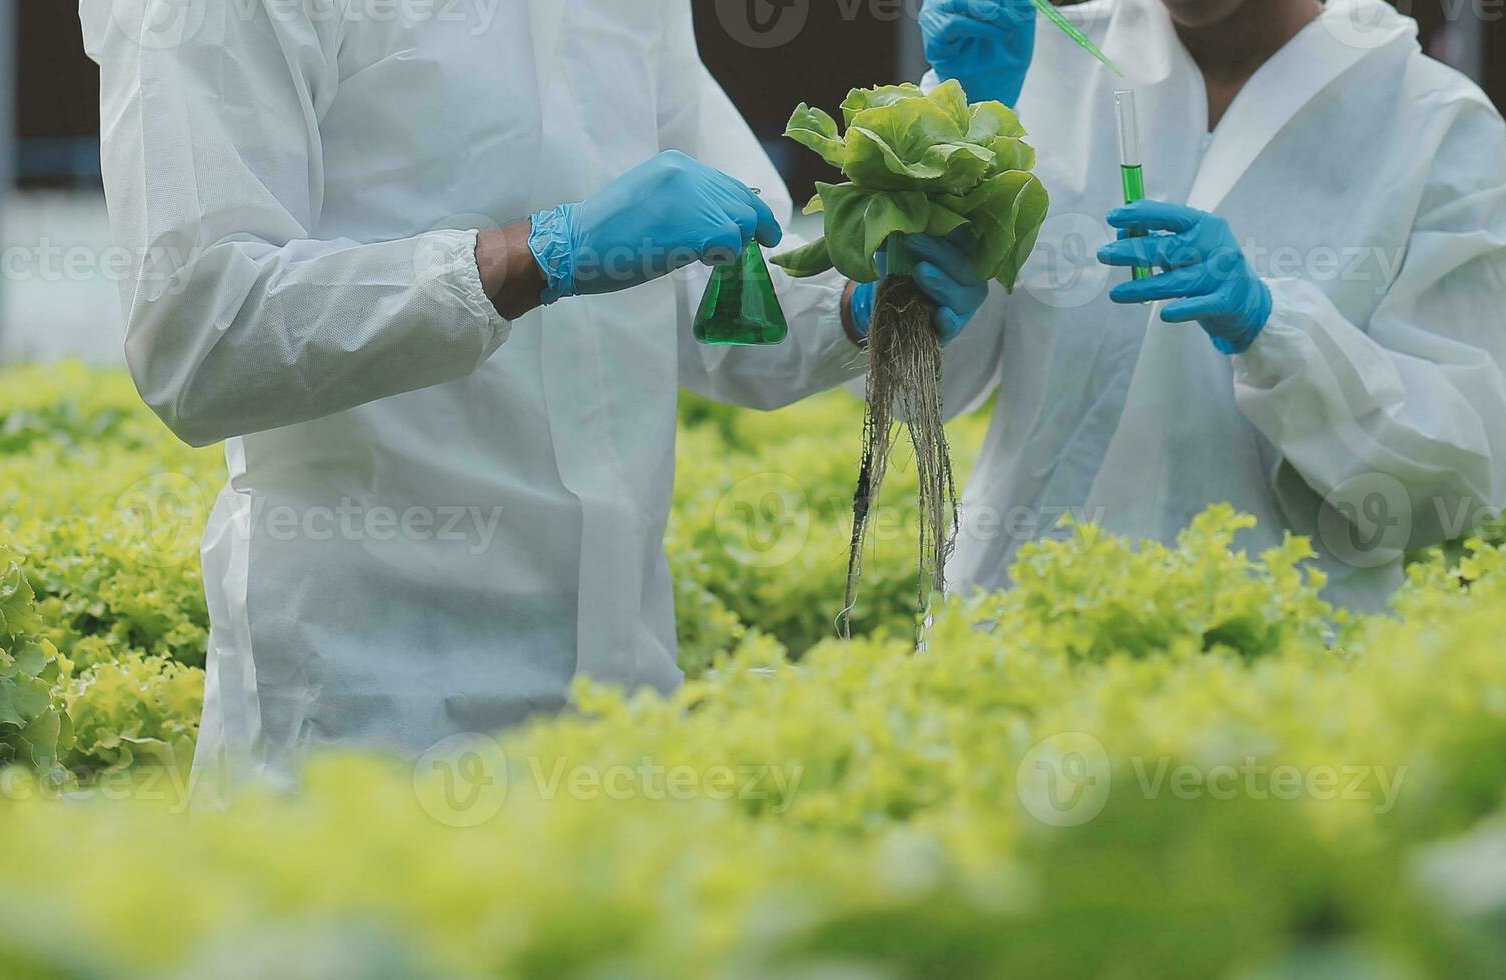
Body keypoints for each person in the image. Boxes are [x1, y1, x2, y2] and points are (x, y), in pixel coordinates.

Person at [79, 1, 974, 787]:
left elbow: (725, 276)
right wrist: (531, 256)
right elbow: (200, 334)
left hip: (618, 711)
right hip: (363, 720)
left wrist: (861, 305)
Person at [912, 0, 1506, 611]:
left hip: (1274, 665)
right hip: (1019, 626)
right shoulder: (1039, 70)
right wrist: (953, 148)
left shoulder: (1433, 121)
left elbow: (1464, 472)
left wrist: (1275, 331)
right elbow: (917, 380)